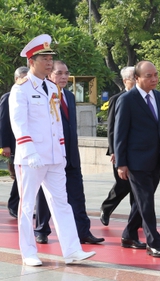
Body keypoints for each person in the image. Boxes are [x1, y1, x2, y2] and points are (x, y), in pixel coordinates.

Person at [9, 34, 95, 266]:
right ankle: (28, 252)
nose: (49, 62)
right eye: (44, 58)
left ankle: (72, 250)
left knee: (62, 203)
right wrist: (29, 151)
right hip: (32, 158)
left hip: (55, 158)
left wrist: (62, 152)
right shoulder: (21, 89)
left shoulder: (51, 87)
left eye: (50, 58)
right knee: (27, 206)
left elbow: (56, 124)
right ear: (31, 61)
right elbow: (19, 124)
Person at [34, 60, 104, 245]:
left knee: (77, 195)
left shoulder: (70, 96)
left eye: (66, 73)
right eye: (59, 73)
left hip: (71, 156)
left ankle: (83, 232)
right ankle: (41, 230)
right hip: (51, 154)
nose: (64, 77)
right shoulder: (42, 95)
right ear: (50, 75)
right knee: (45, 195)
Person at [114, 60, 160, 257]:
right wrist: (121, 163)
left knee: (142, 202)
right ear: (137, 78)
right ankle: (154, 242)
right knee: (146, 201)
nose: (154, 79)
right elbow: (120, 134)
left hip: (156, 159)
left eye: (156, 75)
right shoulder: (127, 100)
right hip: (136, 161)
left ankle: (129, 235)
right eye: (149, 76)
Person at [100, 66, 136, 227]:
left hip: (138, 150)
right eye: (133, 78)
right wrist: (114, 150)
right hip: (121, 150)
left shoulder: (145, 98)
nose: (136, 81)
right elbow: (112, 128)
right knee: (123, 184)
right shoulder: (117, 99)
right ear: (125, 81)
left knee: (138, 186)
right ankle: (107, 208)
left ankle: (136, 218)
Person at [1, 66, 29, 219]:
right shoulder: (8, 97)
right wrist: (5, 145)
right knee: (20, 176)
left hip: (28, 143)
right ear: (16, 79)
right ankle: (13, 205)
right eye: (22, 78)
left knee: (25, 177)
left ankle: (21, 205)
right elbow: (3, 123)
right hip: (15, 143)